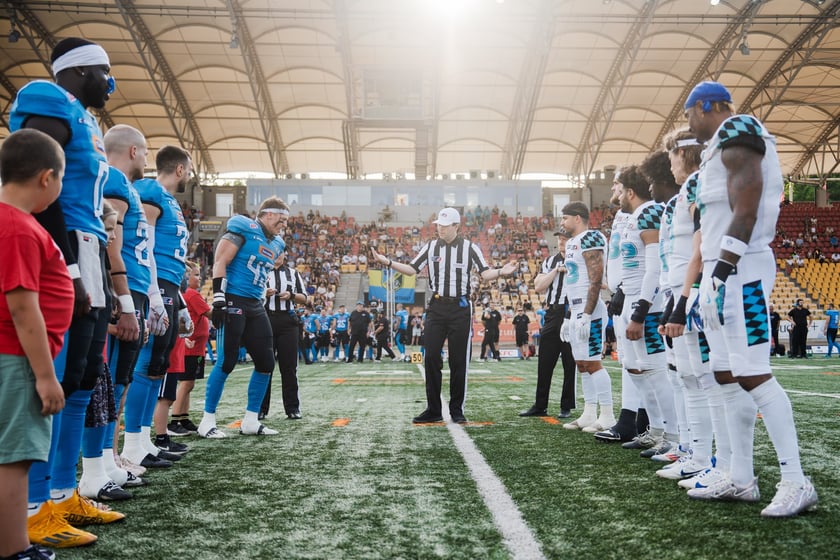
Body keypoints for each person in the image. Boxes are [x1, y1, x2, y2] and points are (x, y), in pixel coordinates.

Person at [11, 37, 126, 548]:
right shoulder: (49, 98)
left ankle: (60, 493)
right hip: (67, 247)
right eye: (104, 70)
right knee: (56, 379)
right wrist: (68, 266)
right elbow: (36, 179)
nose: (111, 81)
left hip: (90, 246)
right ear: (78, 72)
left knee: (81, 378)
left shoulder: (87, 119)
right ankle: (32, 507)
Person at [686, 80, 817, 516]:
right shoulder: (716, 148)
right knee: (725, 374)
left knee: (753, 373)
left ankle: (797, 480)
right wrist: (710, 274)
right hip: (720, 270)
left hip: (740, 269)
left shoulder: (739, 128)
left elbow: (747, 204)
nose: (688, 124)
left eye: (690, 114)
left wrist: (721, 270)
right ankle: (740, 478)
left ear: (706, 106)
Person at [0, 129, 74, 560]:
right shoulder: (18, 227)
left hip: (14, 355)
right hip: (17, 357)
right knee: (14, 458)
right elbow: (23, 309)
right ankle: (15, 549)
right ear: (47, 178)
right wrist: (46, 378)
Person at [371, 207, 516, 424]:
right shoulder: (431, 246)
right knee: (430, 357)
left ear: (456, 226)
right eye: (438, 224)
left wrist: (501, 272)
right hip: (437, 307)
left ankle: (457, 411)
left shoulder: (469, 248)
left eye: (445, 226)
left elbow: (485, 273)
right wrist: (388, 262)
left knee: (459, 361)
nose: (440, 228)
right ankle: (433, 409)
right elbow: (412, 269)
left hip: (460, 307)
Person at [121, 145, 193, 468]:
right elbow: (144, 245)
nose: (189, 176)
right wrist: (153, 294)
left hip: (168, 285)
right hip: (154, 283)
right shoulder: (151, 190)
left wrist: (179, 304)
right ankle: (132, 442)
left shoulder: (171, 203)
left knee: (157, 365)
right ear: (179, 169)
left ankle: (145, 439)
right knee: (147, 361)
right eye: (188, 170)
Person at [198, 197, 289, 438]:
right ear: (268, 214)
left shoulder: (277, 243)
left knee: (266, 362)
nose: (284, 225)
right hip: (233, 299)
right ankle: (207, 421)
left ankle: (250, 420)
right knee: (226, 361)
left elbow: (275, 260)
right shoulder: (243, 228)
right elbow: (221, 261)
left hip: (255, 303)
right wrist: (219, 298)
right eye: (282, 219)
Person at [616, 164, 679, 457]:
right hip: (632, 298)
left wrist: (641, 311)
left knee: (655, 370)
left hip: (648, 305)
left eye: (618, 188)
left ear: (630, 191)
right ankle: (653, 430)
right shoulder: (634, 216)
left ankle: (673, 434)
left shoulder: (651, 212)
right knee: (636, 369)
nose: (615, 195)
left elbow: (654, 267)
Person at [555, 203, 615, 433]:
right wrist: (570, 316)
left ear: (577, 218)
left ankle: (607, 414)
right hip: (577, 310)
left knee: (592, 362)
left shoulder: (591, 238)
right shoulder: (571, 243)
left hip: (590, 311)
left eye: (565, 218)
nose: (562, 223)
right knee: (581, 364)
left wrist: (587, 314)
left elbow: (595, 279)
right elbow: (574, 283)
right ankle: (589, 412)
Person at [519, 229, 577, 418]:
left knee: (570, 361)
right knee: (545, 361)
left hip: (572, 311)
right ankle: (540, 405)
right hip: (553, 312)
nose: (561, 242)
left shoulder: (580, 259)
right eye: (560, 239)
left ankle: (566, 406)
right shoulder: (550, 261)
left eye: (565, 239)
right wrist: (556, 270)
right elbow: (538, 286)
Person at [262, 251, 307, 419]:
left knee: (289, 367)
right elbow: (251, 293)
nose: (277, 256)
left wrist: (292, 296)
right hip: (265, 319)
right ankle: (261, 408)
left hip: (288, 321)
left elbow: (305, 298)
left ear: (284, 255)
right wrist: (263, 293)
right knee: (265, 366)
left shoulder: (293, 273)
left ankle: (292, 408)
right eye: (274, 252)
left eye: (280, 253)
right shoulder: (262, 270)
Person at [169, 262, 211, 434]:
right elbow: (209, 313)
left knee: (189, 383)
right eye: (196, 275)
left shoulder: (192, 294)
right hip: (190, 347)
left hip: (196, 347)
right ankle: (174, 420)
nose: (199, 278)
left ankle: (183, 417)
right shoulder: (192, 294)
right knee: (186, 383)